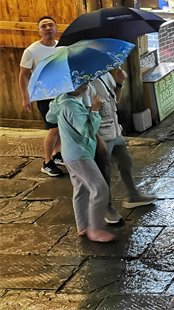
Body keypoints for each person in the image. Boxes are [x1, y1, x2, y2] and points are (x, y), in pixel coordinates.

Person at [47, 84, 116, 242]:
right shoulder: (71, 106)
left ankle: (83, 225)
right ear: (71, 87)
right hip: (80, 155)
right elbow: (87, 130)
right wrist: (95, 110)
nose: (86, 85)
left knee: (81, 189)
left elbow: (50, 117)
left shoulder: (62, 100)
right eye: (81, 83)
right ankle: (96, 229)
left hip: (70, 153)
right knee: (99, 188)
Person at [90, 69, 155, 225]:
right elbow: (87, 115)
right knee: (104, 173)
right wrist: (97, 139)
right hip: (100, 135)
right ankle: (106, 208)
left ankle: (133, 195)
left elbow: (116, 101)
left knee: (126, 161)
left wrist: (119, 83)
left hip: (114, 131)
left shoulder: (105, 75)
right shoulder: (87, 83)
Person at [18, 16, 63, 177]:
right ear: (39, 32)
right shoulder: (32, 51)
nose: (48, 28)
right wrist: (25, 97)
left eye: (51, 25)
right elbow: (23, 75)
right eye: (43, 26)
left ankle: (57, 155)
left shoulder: (61, 47)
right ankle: (47, 161)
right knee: (54, 128)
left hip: (61, 93)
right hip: (44, 95)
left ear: (57, 29)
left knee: (61, 127)